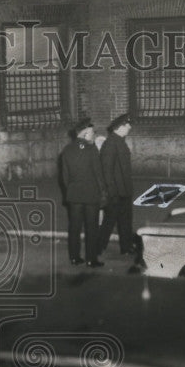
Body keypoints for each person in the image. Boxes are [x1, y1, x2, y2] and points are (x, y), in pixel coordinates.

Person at [60, 117, 105, 267]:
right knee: (91, 228)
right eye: (92, 132)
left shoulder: (66, 151)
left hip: (73, 195)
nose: (93, 135)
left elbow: (65, 178)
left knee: (74, 227)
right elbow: (99, 175)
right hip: (91, 195)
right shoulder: (92, 150)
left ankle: (74, 257)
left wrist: (71, 190)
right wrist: (103, 193)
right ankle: (91, 259)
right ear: (85, 133)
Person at [98, 113, 136, 257]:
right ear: (119, 127)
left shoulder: (120, 141)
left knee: (125, 221)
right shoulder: (110, 144)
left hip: (124, 191)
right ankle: (97, 248)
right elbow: (106, 171)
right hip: (115, 193)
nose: (129, 127)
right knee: (109, 222)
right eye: (127, 125)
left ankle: (126, 248)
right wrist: (111, 192)